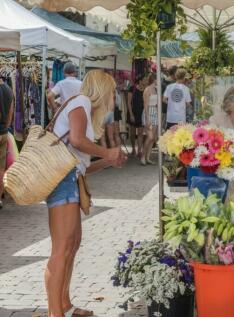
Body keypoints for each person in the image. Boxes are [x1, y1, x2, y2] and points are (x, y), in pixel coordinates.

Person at [44, 70, 126, 317]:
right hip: (63, 180)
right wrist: (107, 152)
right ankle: (54, 312)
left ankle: (65, 306)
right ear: (103, 90)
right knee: (61, 248)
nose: (114, 97)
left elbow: (82, 164)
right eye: (113, 91)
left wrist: (108, 161)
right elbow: (78, 141)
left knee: (71, 245)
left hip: (71, 178)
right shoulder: (80, 102)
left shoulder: (85, 110)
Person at [0, 78, 13, 209]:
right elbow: (10, 113)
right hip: (3, 132)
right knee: (1, 169)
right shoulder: (9, 90)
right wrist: (6, 127)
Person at [141, 74, 159, 165]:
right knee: (150, 136)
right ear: (154, 79)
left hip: (155, 112)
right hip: (148, 112)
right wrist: (147, 118)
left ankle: (148, 157)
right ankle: (143, 156)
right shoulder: (147, 89)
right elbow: (145, 105)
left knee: (153, 138)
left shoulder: (156, 89)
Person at [127, 75, 147, 157]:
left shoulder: (146, 89)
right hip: (133, 113)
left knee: (140, 133)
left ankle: (139, 150)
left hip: (141, 113)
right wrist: (131, 114)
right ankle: (133, 148)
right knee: (132, 133)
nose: (146, 81)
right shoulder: (132, 88)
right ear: (140, 81)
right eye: (144, 79)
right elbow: (128, 102)